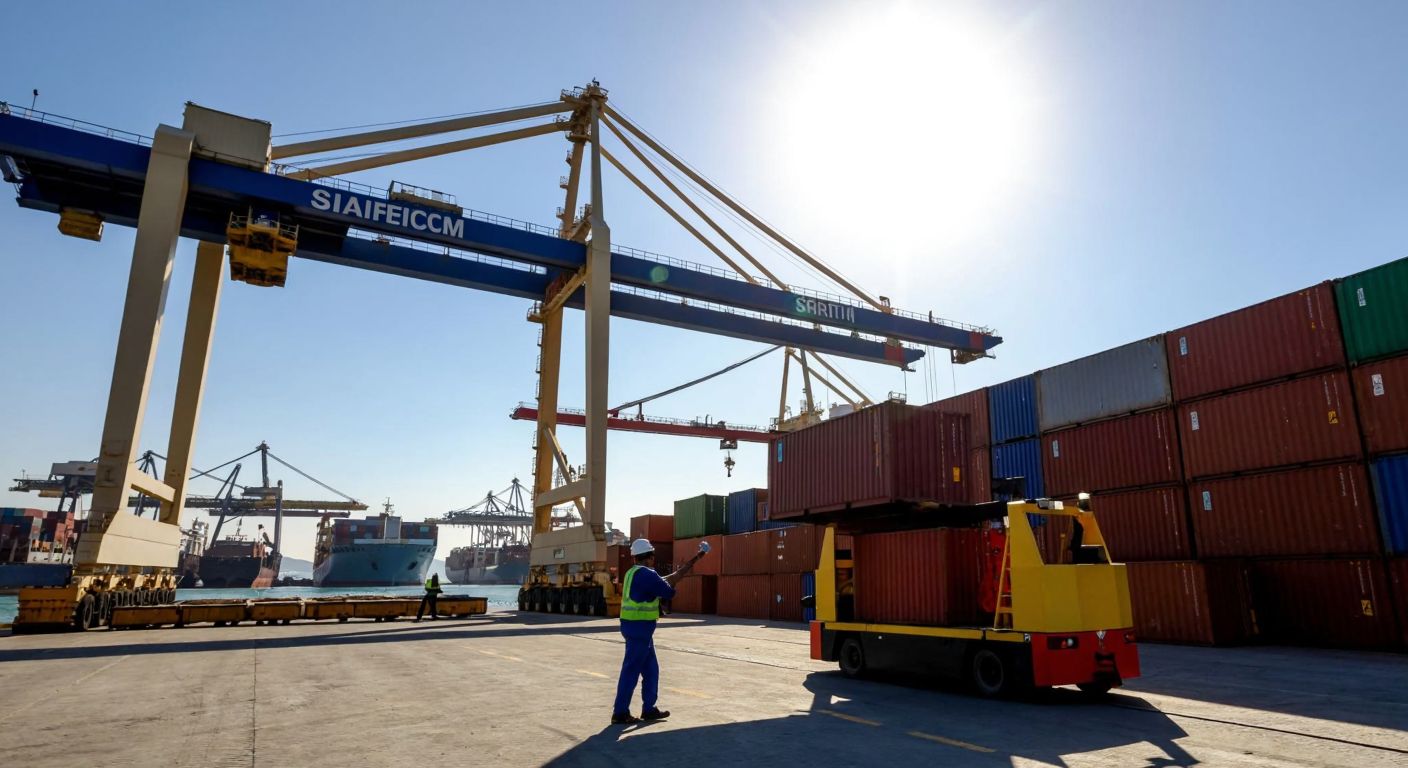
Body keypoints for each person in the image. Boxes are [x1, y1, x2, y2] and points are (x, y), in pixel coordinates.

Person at [611, 538, 708, 725]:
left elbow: (668, 579)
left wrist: (696, 558)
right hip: (640, 629)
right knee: (631, 671)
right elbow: (669, 592)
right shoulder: (648, 575)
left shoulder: (633, 573)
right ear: (649, 557)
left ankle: (649, 709)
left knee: (651, 669)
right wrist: (693, 562)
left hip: (635, 628)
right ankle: (620, 712)